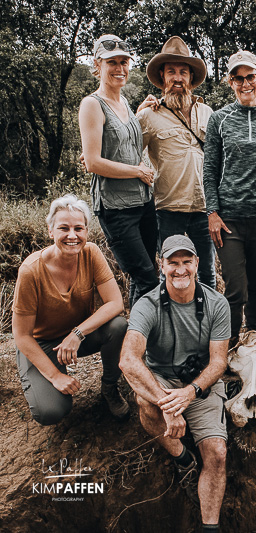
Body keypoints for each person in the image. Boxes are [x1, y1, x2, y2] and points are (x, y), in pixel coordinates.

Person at [119, 235, 230, 532]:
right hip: (162, 380)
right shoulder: (147, 305)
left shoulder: (217, 304)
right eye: (173, 263)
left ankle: (210, 527)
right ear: (161, 265)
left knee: (218, 454)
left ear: (197, 263)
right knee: (144, 401)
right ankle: (183, 458)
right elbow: (128, 360)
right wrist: (167, 403)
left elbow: (219, 362)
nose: (180, 270)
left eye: (186, 262)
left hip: (199, 382)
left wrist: (191, 392)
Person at [12, 194, 130, 425]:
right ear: (50, 231)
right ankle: (41, 377)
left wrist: (76, 334)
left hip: (77, 335)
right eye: (64, 228)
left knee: (118, 326)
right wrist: (55, 376)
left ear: (86, 231)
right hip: (42, 343)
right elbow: (21, 335)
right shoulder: (31, 271)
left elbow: (116, 303)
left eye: (79, 228)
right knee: (51, 411)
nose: (72, 236)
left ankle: (109, 387)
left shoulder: (91, 253)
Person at [203, 50, 256, 344]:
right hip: (229, 217)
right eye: (238, 78)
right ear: (230, 81)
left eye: (250, 76)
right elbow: (210, 168)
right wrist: (212, 212)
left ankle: (253, 334)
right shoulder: (219, 119)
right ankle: (231, 342)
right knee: (235, 286)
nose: (245, 83)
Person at [79, 34, 158, 307]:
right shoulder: (92, 104)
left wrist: (138, 113)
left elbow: (119, 139)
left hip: (144, 202)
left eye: (124, 61)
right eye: (112, 62)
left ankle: (137, 342)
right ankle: (138, 343)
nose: (120, 68)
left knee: (146, 276)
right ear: (97, 65)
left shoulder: (124, 103)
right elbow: (93, 163)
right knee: (146, 277)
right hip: (115, 208)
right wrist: (138, 172)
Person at [136, 36, 216, 288]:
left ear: (191, 78)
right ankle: (168, 323)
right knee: (169, 272)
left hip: (204, 208)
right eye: (172, 72)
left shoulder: (208, 113)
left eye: (183, 72)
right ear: (163, 77)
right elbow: (125, 147)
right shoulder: (149, 114)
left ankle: (205, 323)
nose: (178, 78)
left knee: (207, 273)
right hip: (168, 208)